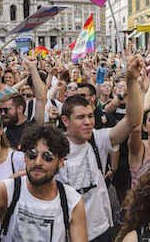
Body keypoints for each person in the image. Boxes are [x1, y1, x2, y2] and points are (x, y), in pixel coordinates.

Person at [0, 106, 87, 242]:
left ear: (60, 161)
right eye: (31, 155)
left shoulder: (71, 201)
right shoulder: (10, 190)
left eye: (47, 157)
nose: (38, 162)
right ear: (24, 157)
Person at [53, 55, 144, 241]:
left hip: (99, 229)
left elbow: (133, 120)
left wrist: (132, 81)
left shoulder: (98, 139)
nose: (88, 122)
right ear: (65, 120)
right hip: (66, 232)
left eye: (90, 116)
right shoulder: (54, 148)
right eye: (80, 118)